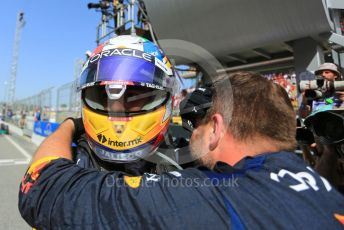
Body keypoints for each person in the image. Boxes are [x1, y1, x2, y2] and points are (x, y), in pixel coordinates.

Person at [19, 71, 344, 229]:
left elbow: (43, 187)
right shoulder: (322, 188)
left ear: (216, 127)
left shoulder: (214, 196)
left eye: (197, 122)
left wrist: (70, 125)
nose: (191, 133)